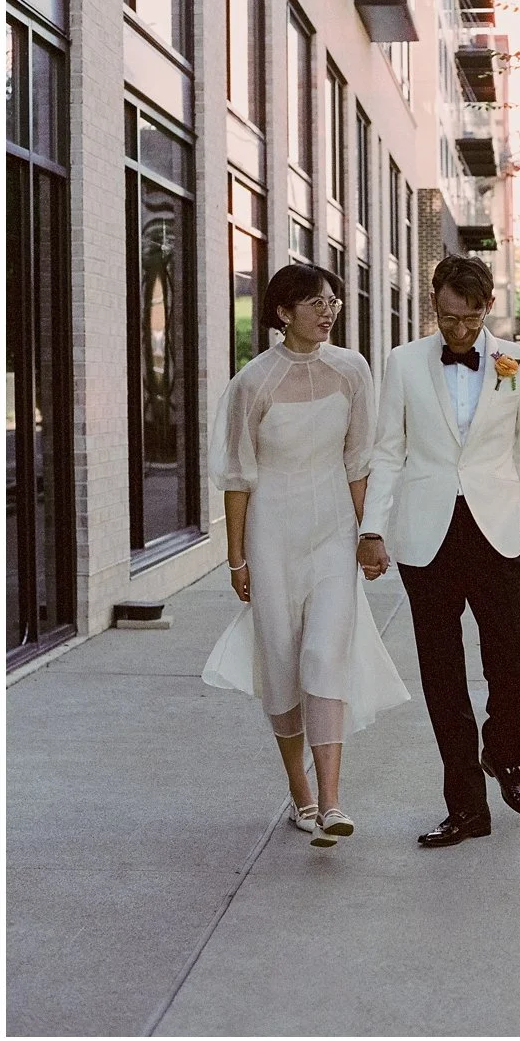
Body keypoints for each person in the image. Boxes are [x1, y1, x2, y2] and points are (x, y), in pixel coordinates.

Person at [206, 263, 409, 848]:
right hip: (271, 534)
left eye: (333, 302)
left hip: (333, 535)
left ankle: (333, 803)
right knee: (280, 662)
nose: (329, 311)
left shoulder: (352, 371)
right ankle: (302, 794)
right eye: (317, 302)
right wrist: (236, 558)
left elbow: (358, 462)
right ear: (282, 313)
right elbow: (237, 478)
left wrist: (371, 533)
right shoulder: (253, 382)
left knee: (324, 652)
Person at [357, 255, 520, 848]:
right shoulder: (403, 362)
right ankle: (466, 808)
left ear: (486, 307)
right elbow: (388, 451)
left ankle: (505, 754)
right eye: (445, 318)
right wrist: (372, 528)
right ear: (432, 306)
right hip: (426, 532)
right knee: (443, 675)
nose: (456, 331)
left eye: (466, 321)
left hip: (497, 529)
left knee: (514, 658)